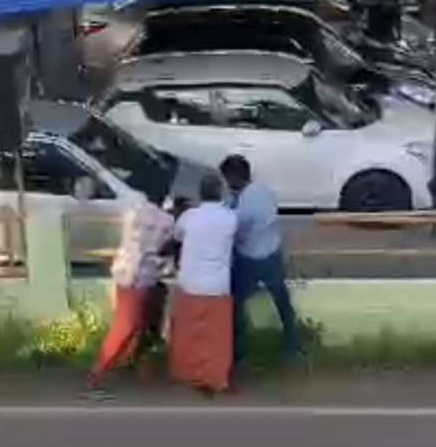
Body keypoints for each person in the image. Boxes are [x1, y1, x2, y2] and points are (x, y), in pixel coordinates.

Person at [219, 155, 300, 365]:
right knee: (282, 301)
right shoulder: (263, 191)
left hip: (250, 256)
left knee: (236, 304)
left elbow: (238, 232)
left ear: (233, 177)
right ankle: (292, 345)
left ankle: (239, 352)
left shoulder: (244, 205)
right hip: (271, 251)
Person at [88, 198, 173, 389]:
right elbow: (164, 248)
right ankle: (101, 369)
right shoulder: (166, 220)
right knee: (129, 325)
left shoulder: (133, 211)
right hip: (142, 276)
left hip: (125, 272)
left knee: (134, 323)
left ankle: (120, 365)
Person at [169, 174, 237, 392]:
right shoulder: (230, 218)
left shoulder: (189, 217)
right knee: (216, 337)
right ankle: (216, 378)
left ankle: (188, 373)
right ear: (220, 192)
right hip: (217, 285)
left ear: (200, 193)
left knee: (189, 333)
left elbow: (177, 236)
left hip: (189, 281)